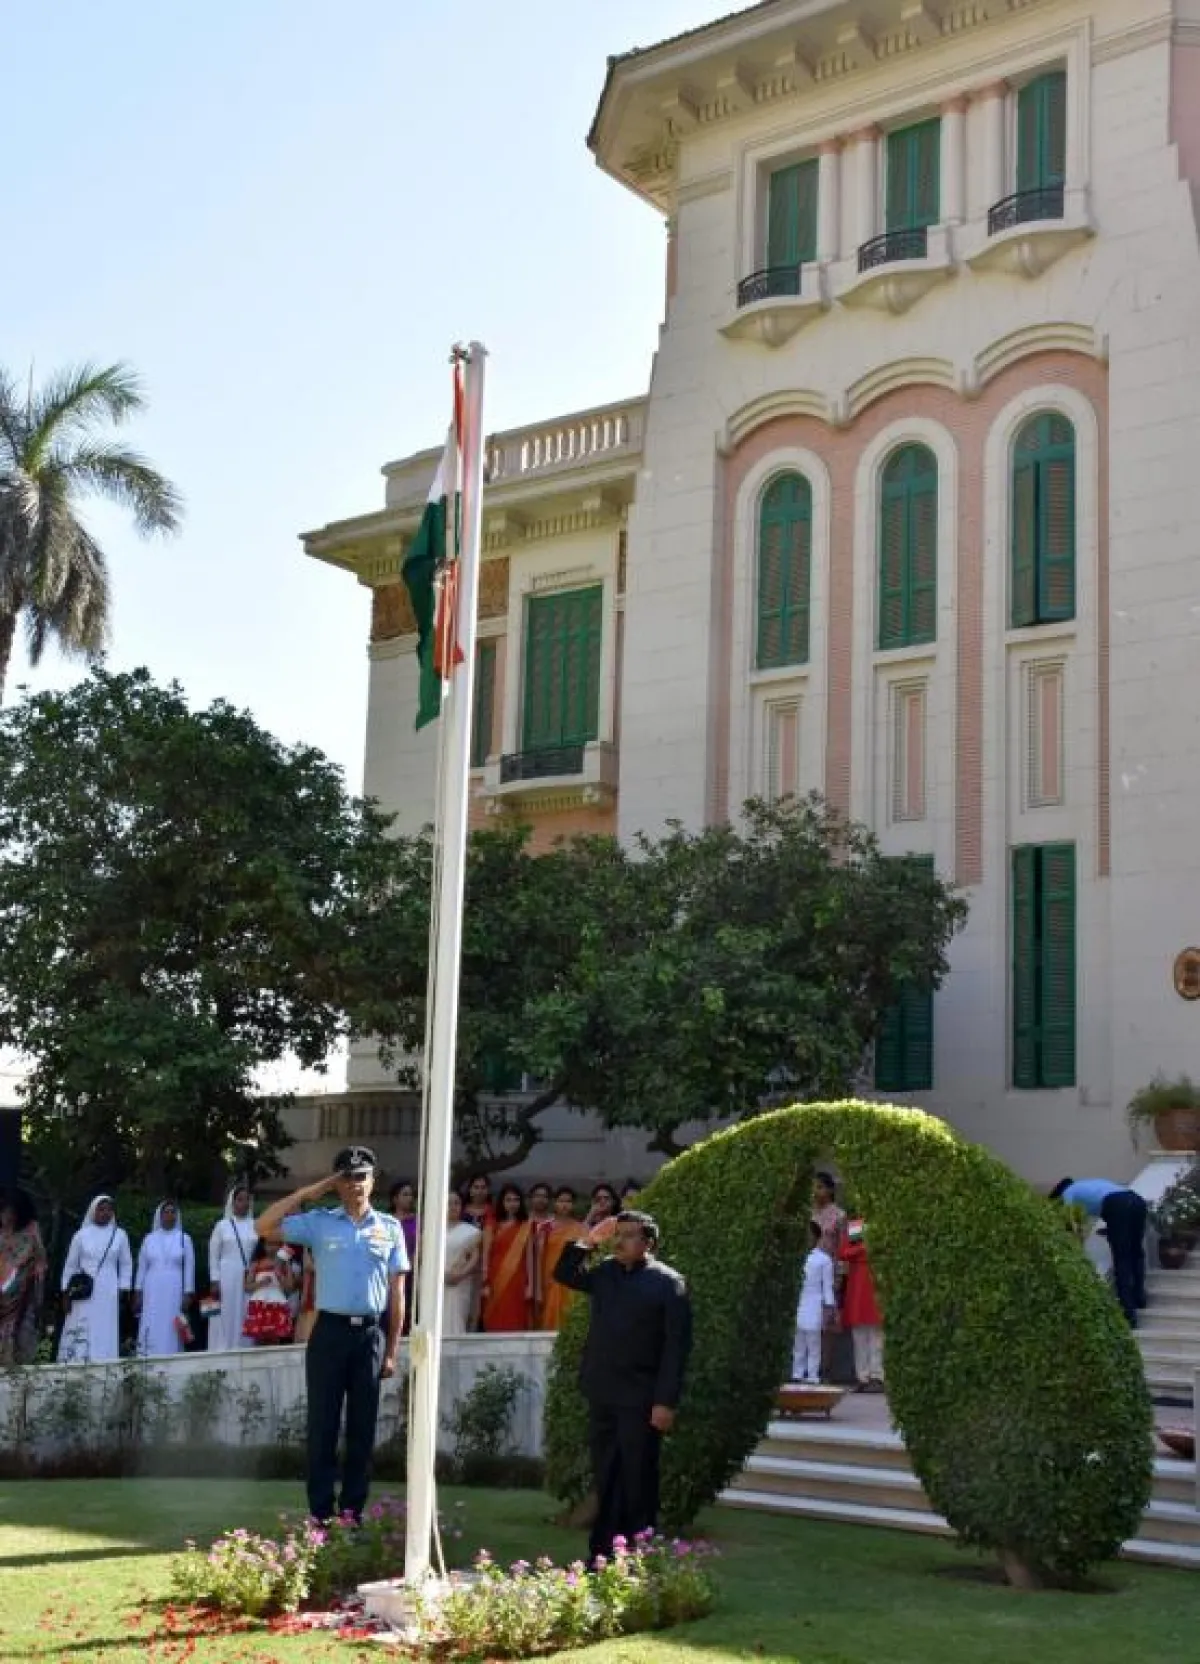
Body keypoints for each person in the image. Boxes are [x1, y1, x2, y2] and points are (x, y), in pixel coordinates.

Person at [257, 1145, 407, 1523]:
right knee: (322, 1425)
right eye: (347, 1177)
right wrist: (310, 1191)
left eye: (362, 1176)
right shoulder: (320, 1222)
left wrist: (391, 1351)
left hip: (369, 1335)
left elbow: (398, 1294)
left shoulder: (389, 1228)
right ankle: (321, 1515)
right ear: (336, 1183)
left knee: (362, 1429)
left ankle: (352, 1514)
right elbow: (264, 1227)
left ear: (373, 1181)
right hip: (329, 1333)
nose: (355, 1184)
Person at [554, 1209, 692, 1565]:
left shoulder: (669, 1284)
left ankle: (639, 1554)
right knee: (606, 1473)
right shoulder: (606, 1273)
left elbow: (675, 1349)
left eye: (629, 1235)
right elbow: (565, 1274)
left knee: (637, 1474)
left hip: (642, 1397)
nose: (620, 1242)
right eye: (618, 1234)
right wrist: (589, 1241)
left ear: (649, 1244)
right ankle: (602, 1554)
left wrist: (665, 1401)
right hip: (603, 1391)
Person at [1051, 1177, 1148, 1326]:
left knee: (1122, 1259)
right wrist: (1112, 1229)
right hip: (1137, 1201)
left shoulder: (1068, 1193)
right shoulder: (1088, 1185)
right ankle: (1140, 1298)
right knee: (1136, 1253)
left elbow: (1071, 1224)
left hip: (1118, 1206)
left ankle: (1129, 1314)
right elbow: (1110, 1206)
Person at [58, 1195, 133, 1364]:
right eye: (101, 1209)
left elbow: (126, 1264)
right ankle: (77, 1360)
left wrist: (124, 1287)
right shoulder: (81, 1235)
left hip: (109, 1287)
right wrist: (65, 1293)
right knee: (82, 1322)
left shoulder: (120, 1235)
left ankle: (104, 1361)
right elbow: (70, 1266)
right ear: (93, 1211)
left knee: (105, 1324)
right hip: (84, 1287)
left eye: (109, 1209)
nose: (105, 1213)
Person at [134, 1201, 196, 1357]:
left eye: (172, 1212)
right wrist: (138, 1291)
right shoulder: (149, 1239)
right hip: (152, 1287)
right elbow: (142, 1267)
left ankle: (172, 1355)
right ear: (159, 1216)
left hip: (175, 1286)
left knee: (172, 1321)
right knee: (152, 1319)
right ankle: (148, 1355)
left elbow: (189, 1267)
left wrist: (188, 1292)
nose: (170, 1215)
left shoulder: (184, 1238)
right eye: (166, 1212)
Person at [206, 1185, 257, 1352]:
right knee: (225, 1311)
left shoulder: (255, 1225)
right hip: (226, 1275)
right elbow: (213, 1254)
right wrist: (214, 1280)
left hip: (249, 1276)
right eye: (240, 1199)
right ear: (232, 1202)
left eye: (247, 1199)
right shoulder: (222, 1225)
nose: (244, 1203)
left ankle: (244, 1347)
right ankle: (221, 1348)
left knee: (246, 1310)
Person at [0, 1189, 46, 1365]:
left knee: (22, 1329)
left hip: (22, 1290)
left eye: (10, 1212)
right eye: (3, 1211)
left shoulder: (31, 1229)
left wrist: (36, 1275)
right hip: (2, 1285)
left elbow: (38, 1258)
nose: (6, 1216)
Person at [838, 1217, 884, 1392]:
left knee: (877, 1337)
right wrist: (864, 1249)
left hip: (875, 1283)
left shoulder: (883, 1224)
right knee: (860, 1337)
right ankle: (863, 1376)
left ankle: (877, 1376)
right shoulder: (856, 1226)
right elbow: (843, 1253)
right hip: (858, 1286)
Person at [481, 1183, 531, 1333]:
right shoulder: (492, 1224)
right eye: (508, 1200)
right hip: (495, 1277)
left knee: (515, 1316)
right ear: (502, 1202)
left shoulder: (526, 1226)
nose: (512, 1204)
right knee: (495, 1315)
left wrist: (530, 1285)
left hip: (518, 1278)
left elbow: (529, 1257)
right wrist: (485, 1281)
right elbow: (486, 1253)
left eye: (516, 1200)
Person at [538, 1186, 587, 1331]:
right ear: (554, 1203)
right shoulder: (545, 1227)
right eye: (561, 1201)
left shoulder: (581, 1228)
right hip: (548, 1277)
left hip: (571, 1280)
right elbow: (538, 1255)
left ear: (573, 1204)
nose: (565, 1205)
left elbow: (584, 1257)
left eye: (568, 1201)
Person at [794, 1220, 836, 1384]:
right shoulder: (796, 1257)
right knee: (798, 1341)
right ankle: (797, 1374)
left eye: (809, 1235)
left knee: (813, 1341)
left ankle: (812, 1375)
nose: (806, 1239)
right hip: (798, 1302)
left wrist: (829, 1308)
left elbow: (827, 1286)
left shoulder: (824, 1260)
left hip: (814, 1303)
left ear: (817, 1237)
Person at [243, 1238, 299, 1345]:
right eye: (269, 1244)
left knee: (275, 1337)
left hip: (277, 1304)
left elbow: (290, 1287)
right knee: (259, 1337)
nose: (272, 1248)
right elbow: (247, 1287)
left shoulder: (286, 1264)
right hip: (260, 1304)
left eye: (276, 1244)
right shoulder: (256, 1263)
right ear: (263, 1245)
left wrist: (279, 1275)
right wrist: (260, 1283)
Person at [444, 1191, 483, 1336]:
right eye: (449, 1203)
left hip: (459, 1283)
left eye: (457, 1203)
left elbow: (475, 1257)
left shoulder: (471, 1232)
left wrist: (460, 1275)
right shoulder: (432, 1229)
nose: (453, 1207)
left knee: (458, 1321)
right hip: (436, 1283)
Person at [389, 1180, 418, 1336]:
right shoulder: (386, 1221)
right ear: (395, 1199)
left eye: (411, 1195)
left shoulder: (417, 1220)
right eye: (405, 1194)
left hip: (411, 1273)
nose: (409, 1198)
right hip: (388, 1274)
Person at [524, 1182, 555, 1327]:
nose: (541, 1199)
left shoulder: (554, 1223)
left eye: (544, 1196)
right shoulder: (523, 1221)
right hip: (527, 1272)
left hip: (548, 1271)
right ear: (530, 1198)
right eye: (537, 1196)